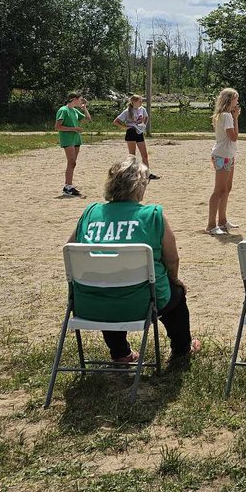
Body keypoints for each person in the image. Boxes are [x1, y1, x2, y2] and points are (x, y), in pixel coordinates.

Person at [70, 156, 200, 365]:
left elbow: (70, 250)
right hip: (141, 304)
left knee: (107, 278)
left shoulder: (91, 213)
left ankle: (120, 352)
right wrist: (174, 279)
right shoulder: (153, 215)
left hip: (90, 303)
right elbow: (172, 259)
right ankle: (181, 349)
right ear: (138, 186)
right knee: (174, 294)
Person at [207, 87, 239, 236]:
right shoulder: (226, 116)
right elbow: (233, 136)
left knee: (227, 188)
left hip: (227, 154)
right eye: (235, 99)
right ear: (229, 100)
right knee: (219, 190)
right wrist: (236, 118)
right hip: (223, 154)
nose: (237, 102)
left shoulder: (223, 115)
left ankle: (222, 220)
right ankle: (211, 225)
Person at [113, 94, 158, 180]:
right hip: (131, 132)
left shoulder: (142, 109)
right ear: (133, 102)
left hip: (139, 132)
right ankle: (130, 173)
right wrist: (125, 127)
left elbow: (146, 117)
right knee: (132, 155)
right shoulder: (127, 111)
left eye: (141, 100)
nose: (141, 102)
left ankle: (147, 173)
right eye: (139, 101)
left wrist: (144, 125)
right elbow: (116, 121)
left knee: (144, 155)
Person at [55, 93, 92, 197]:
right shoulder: (63, 110)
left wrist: (84, 109)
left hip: (76, 139)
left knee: (73, 163)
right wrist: (74, 129)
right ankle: (68, 186)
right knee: (71, 162)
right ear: (74, 99)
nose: (81, 101)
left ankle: (68, 186)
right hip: (67, 139)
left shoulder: (74, 111)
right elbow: (57, 127)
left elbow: (88, 120)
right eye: (80, 99)